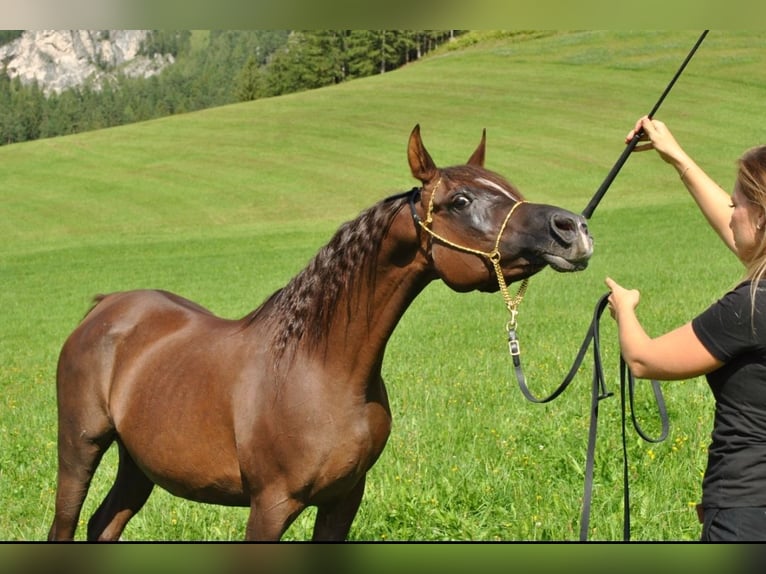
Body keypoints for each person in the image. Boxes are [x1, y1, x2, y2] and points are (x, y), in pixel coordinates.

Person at [605, 115, 766, 541]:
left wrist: (626, 309)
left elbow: (643, 359)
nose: (730, 214)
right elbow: (744, 239)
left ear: (762, 218)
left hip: (746, 513)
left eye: (738, 205)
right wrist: (676, 157)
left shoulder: (750, 308)